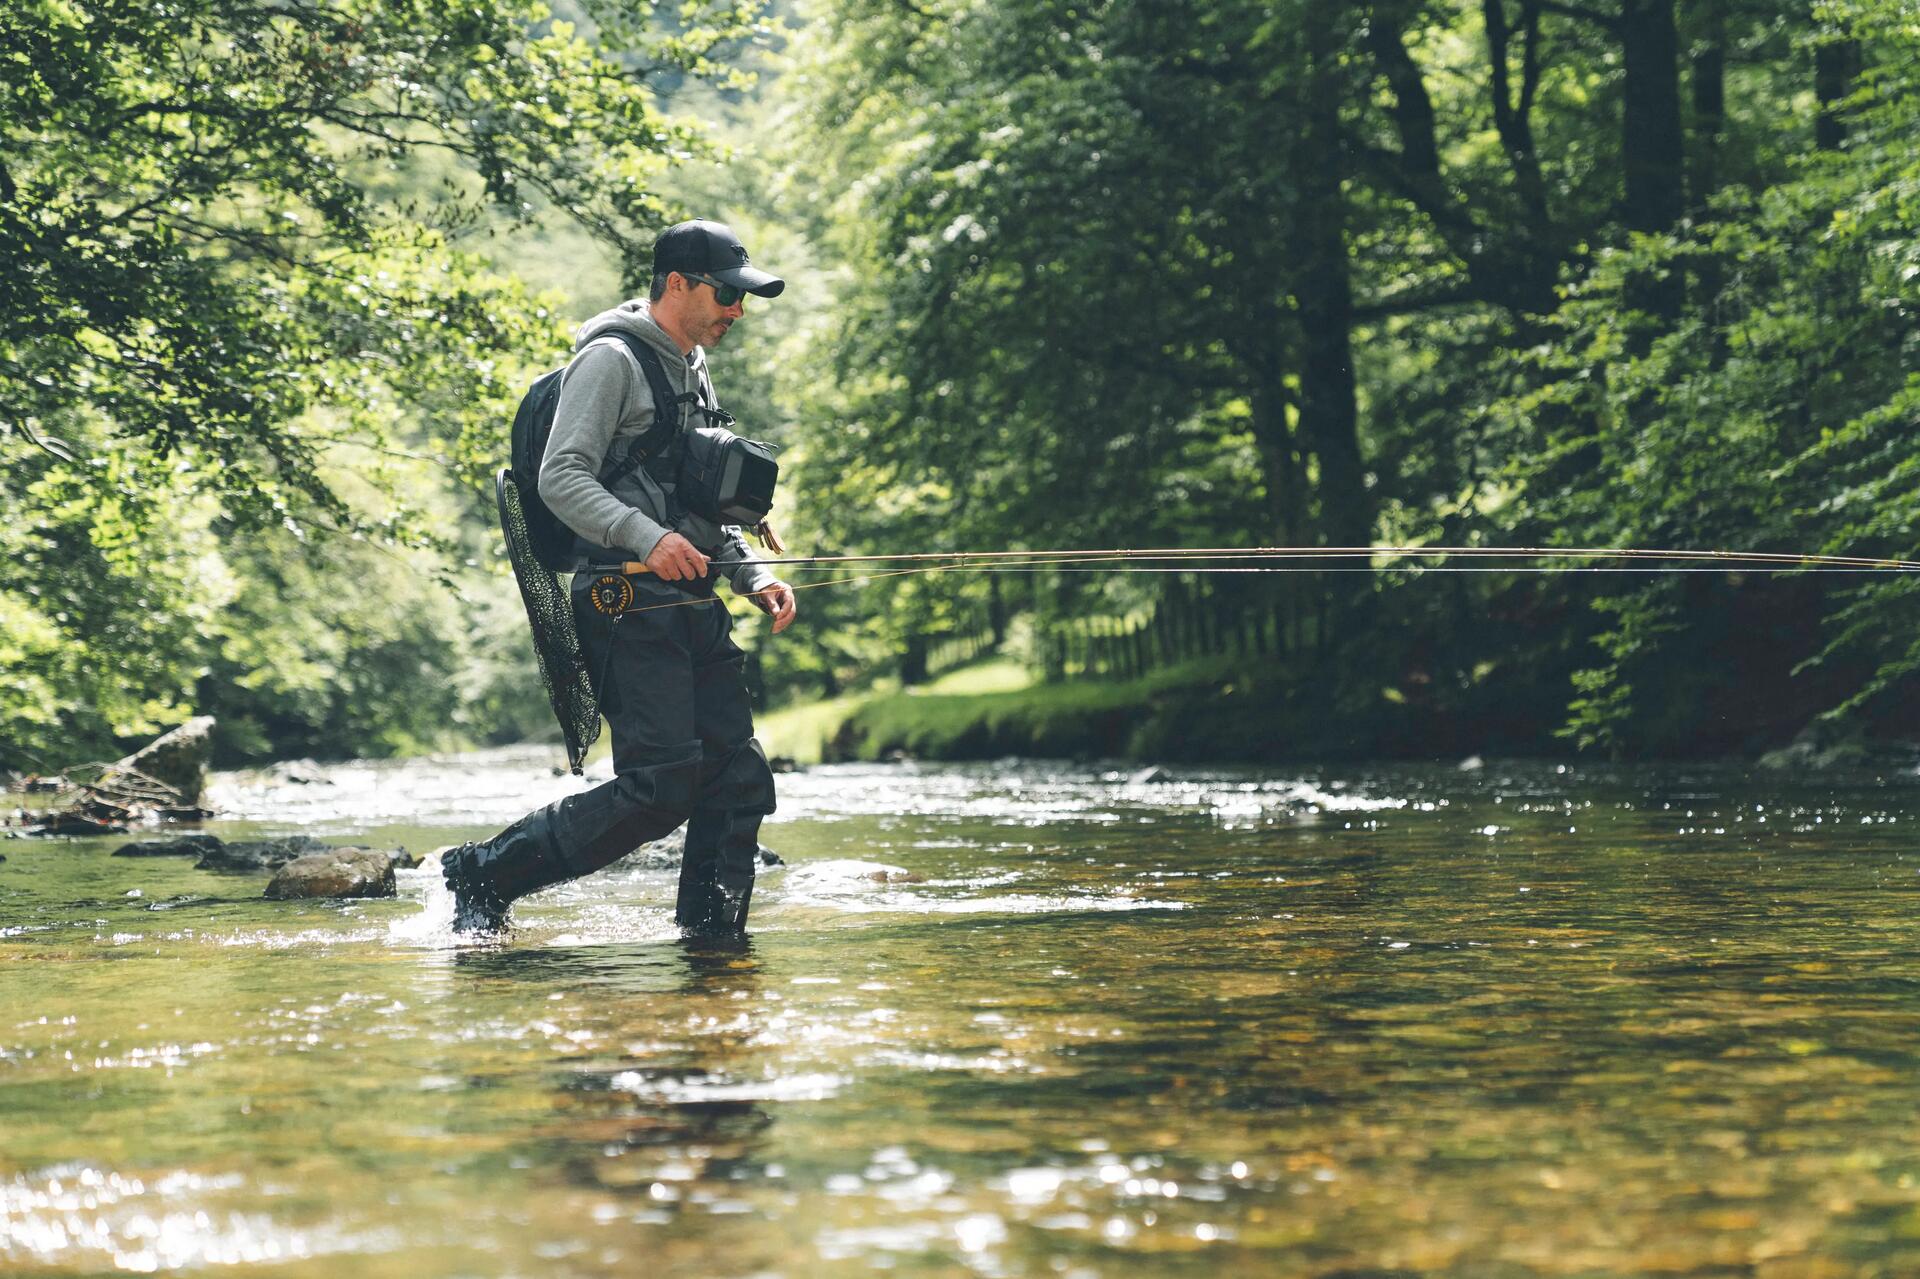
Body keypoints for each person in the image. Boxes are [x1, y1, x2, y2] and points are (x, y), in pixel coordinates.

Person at [443, 219, 797, 935]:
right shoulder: (609, 361)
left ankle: (712, 946)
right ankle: (483, 871)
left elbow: (693, 500)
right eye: (727, 295)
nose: (737, 311)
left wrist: (749, 571)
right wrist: (649, 538)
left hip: (690, 604)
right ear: (678, 284)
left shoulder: (694, 365)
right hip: (624, 602)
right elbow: (559, 479)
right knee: (658, 791)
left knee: (739, 783)